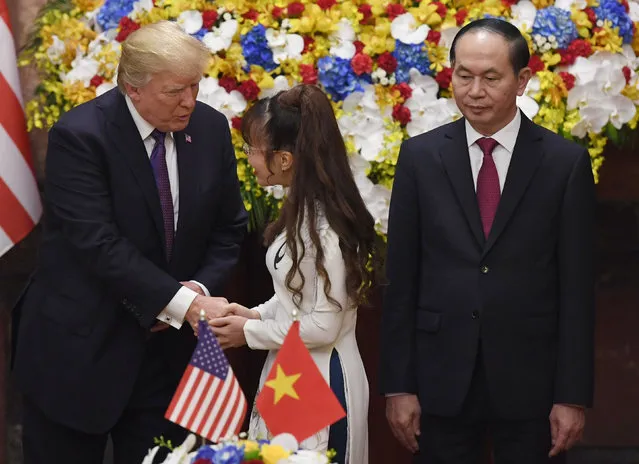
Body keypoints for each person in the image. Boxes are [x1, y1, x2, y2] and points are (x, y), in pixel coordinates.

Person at [12, 21, 247, 464]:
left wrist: (195, 291)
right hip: (80, 352)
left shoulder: (210, 129)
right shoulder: (81, 136)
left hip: (166, 360)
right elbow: (98, 244)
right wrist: (185, 305)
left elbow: (227, 228)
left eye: (195, 87)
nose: (189, 103)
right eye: (175, 91)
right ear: (132, 89)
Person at [380, 18, 595, 464]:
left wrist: (572, 395)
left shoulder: (564, 164)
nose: (474, 90)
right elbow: (401, 280)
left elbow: (577, 289)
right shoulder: (420, 158)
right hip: (441, 378)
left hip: (531, 381)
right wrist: (399, 385)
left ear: (522, 81)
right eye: (464, 75)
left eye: (491, 78)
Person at [209, 84, 378, 464]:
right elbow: (294, 294)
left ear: (284, 159)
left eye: (253, 149)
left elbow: (322, 326)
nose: (250, 159)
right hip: (294, 369)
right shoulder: (301, 209)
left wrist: (248, 333)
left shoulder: (325, 229)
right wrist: (254, 314)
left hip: (322, 378)